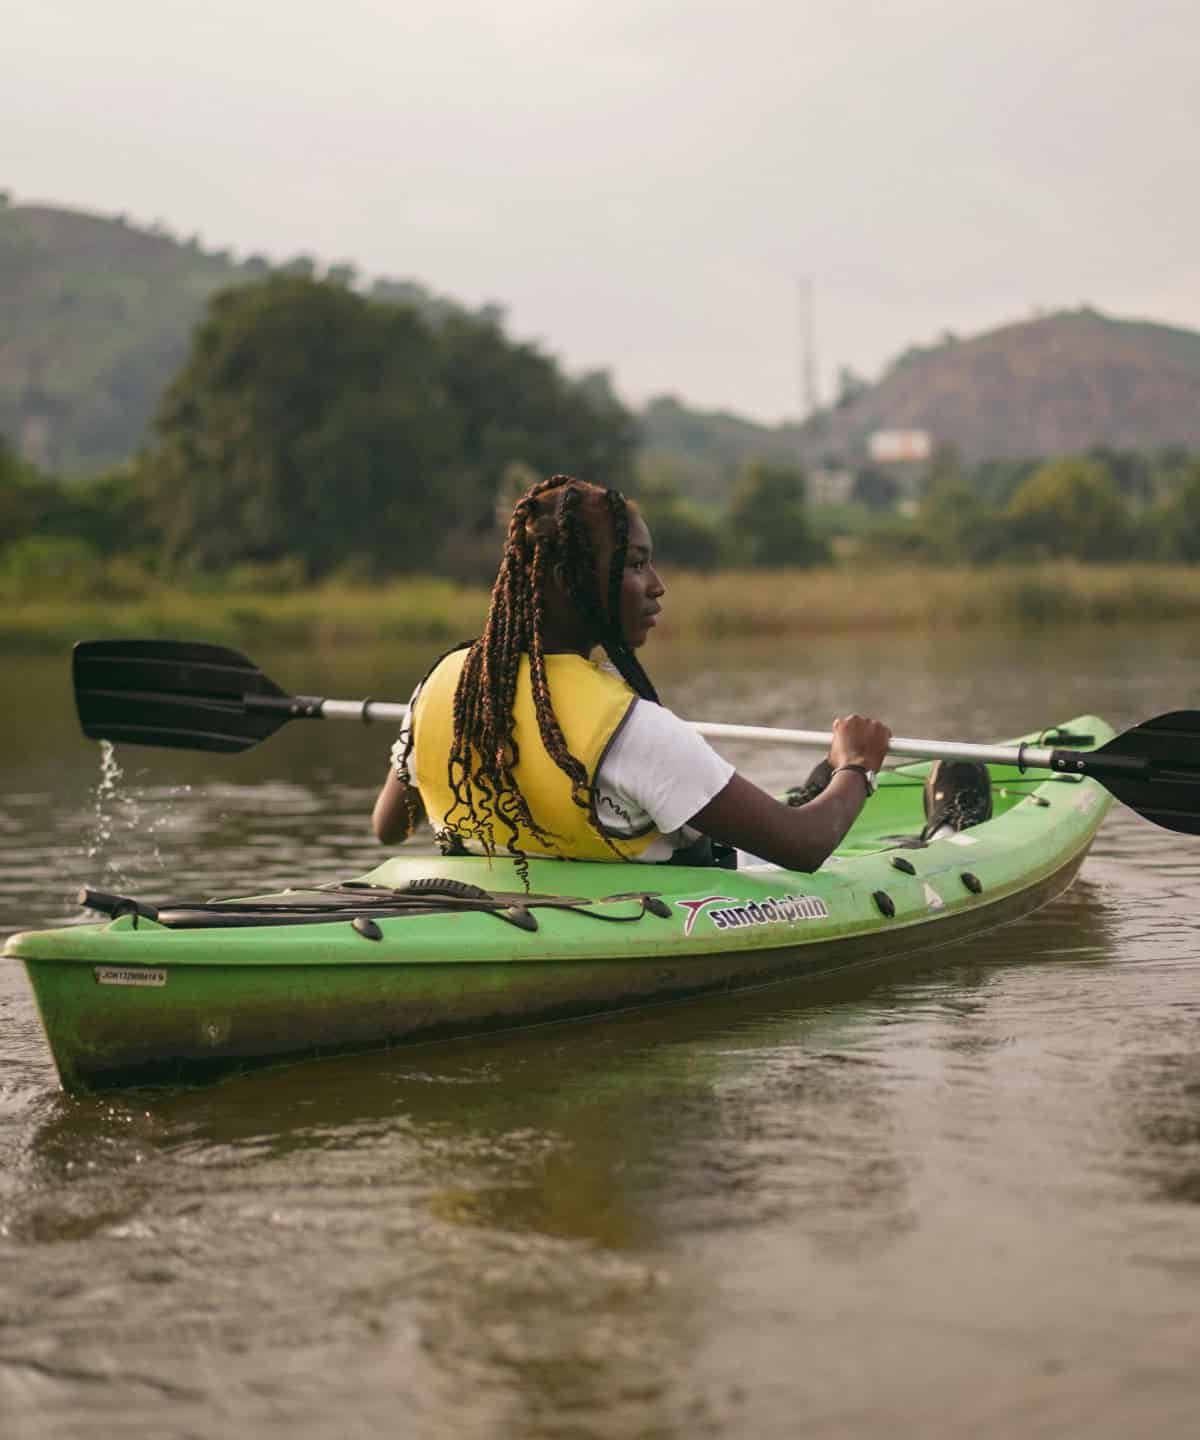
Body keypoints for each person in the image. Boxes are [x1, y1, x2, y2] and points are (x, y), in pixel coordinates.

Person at [372, 474, 892, 876]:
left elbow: (390, 828)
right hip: (683, 895)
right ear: (564, 580)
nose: (658, 585)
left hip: (502, 898)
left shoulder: (444, 683)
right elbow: (803, 846)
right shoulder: (627, 727)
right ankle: (865, 789)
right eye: (636, 564)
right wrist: (856, 766)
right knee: (943, 788)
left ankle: (812, 788)